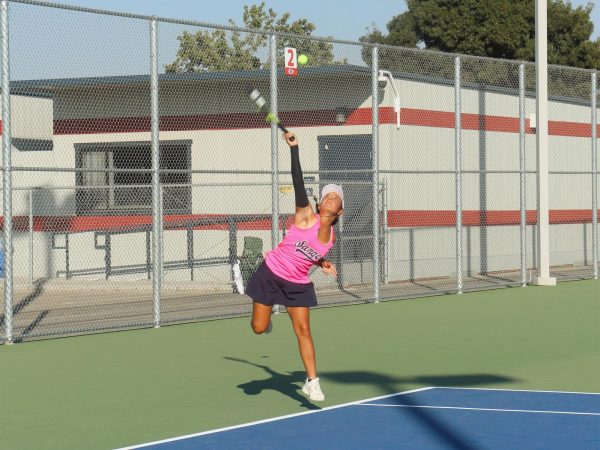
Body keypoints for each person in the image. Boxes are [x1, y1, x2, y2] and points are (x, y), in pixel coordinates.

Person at [245, 131, 344, 402]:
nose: (328, 199)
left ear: (339, 211)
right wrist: (294, 149)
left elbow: (309, 251)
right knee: (257, 327)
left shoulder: (330, 238)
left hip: (296, 284)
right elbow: (298, 182)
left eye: (334, 197)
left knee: (303, 330)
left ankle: (312, 381)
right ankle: (266, 322)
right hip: (271, 273)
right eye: (325, 196)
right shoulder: (305, 215)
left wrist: (321, 261)